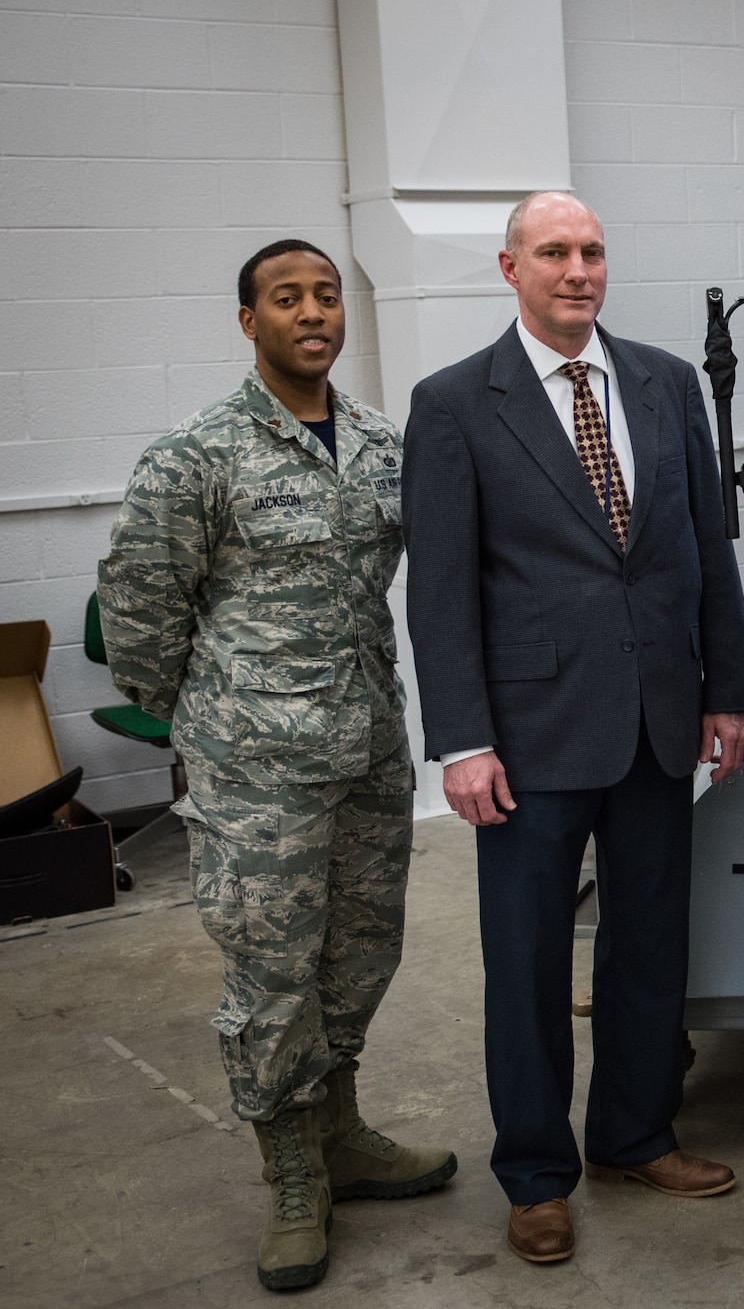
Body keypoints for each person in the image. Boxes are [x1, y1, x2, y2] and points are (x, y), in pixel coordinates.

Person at [402, 191, 744, 1264]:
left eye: (592, 251)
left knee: (649, 945)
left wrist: (726, 691)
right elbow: (442, 589)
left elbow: (705, 548)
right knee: (525, 961)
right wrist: (461, 741)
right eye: (552, 251)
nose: (577, 270)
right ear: (509, 267)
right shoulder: (457, 403)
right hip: (529, 733)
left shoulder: (662, 382)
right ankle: (536, 1174)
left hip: (657, 719)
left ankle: (634, 1135)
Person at [98, 240, 456, 1291]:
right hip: (253, 774)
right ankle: (293, 1175)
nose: (312, 312)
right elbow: (139, 614)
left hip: (367, 753)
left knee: (360, 955)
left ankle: (339, 1131)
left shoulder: (384, 446)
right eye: (286, 298)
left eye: (327, 295)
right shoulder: (198, 453)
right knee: (270, 979)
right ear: (248, 321)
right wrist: (208, 726)